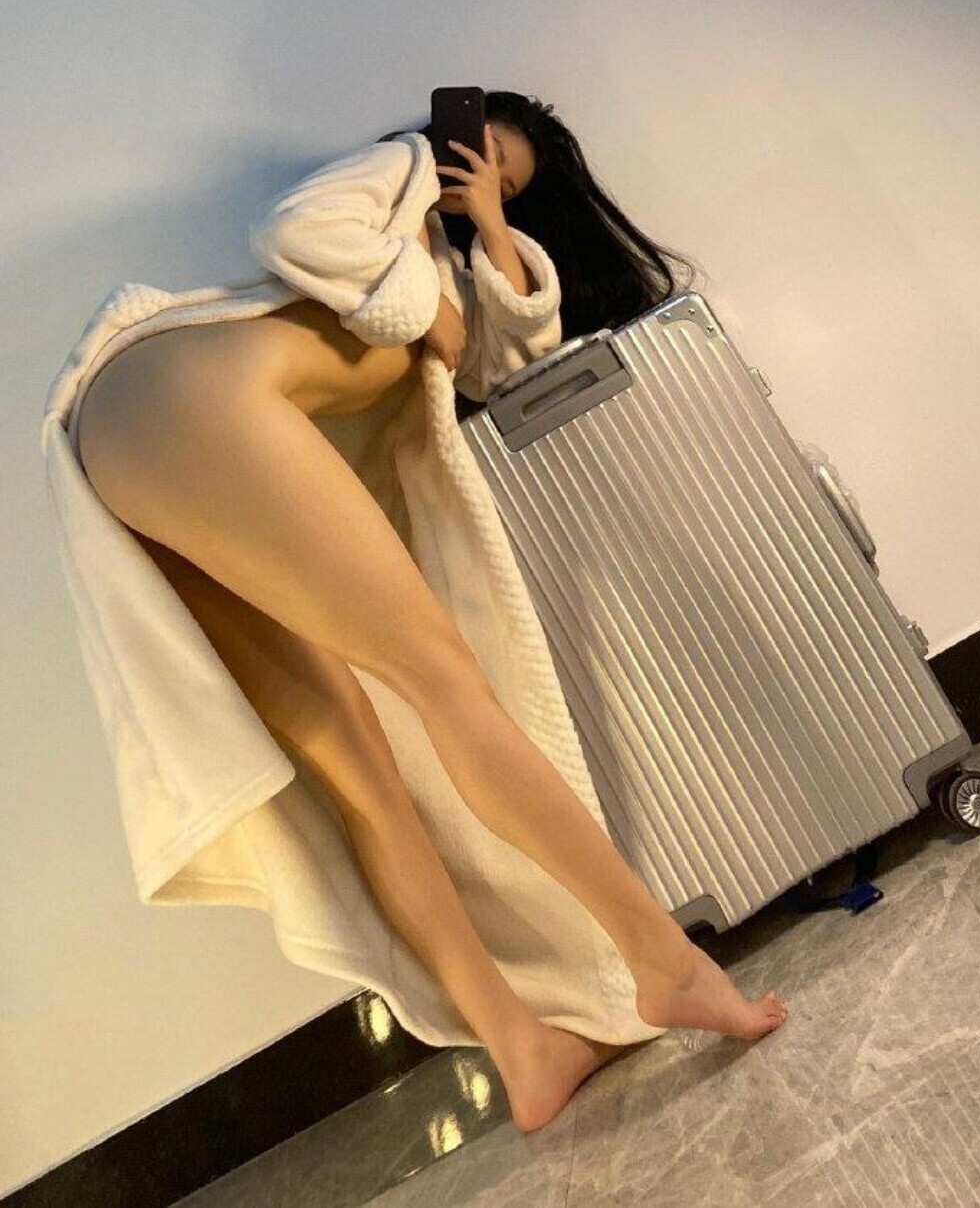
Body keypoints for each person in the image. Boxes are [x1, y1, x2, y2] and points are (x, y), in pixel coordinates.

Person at [68, 89, 788, 1135]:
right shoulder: (395, 178)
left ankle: (522, 1048)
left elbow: (501, 363)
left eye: (509, 182)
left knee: (363, 769)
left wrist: (486, 237)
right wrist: (428, 297)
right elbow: (288, 228)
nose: (481, 175)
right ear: (453, 127)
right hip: (180, 399)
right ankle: (662, 962)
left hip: (135, 439)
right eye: (485, 151)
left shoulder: (439, 260)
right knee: (447, 685)